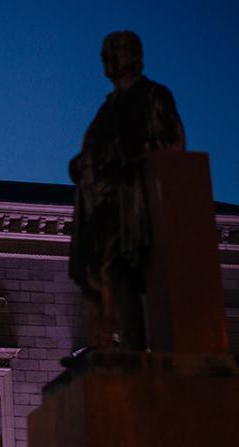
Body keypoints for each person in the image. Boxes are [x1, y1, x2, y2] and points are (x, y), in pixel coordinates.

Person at [69, 31, 186, 351]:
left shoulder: (153, 95)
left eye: (115, 52)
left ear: (134, 55)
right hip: (98, 202)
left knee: (115, 270)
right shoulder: (107, 108)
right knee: (88, 270)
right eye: (105, 53)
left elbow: (173, 143)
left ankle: (129, 348)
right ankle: (101, 345)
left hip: (129, 200)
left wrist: (129, 156)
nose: (108, 59)